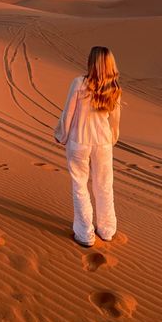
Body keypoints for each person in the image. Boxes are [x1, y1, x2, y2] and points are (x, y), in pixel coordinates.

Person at [54, 46, 122, 247]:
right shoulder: (114, 88)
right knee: (104, 185)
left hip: (79, 142)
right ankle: (107, 230)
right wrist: (112, 139)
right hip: (103, 143)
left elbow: (68, 113)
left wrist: (62, 135)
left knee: (80, 186)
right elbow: (115, 120)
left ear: (92, 62)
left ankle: (85, 234)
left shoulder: (79, 83)